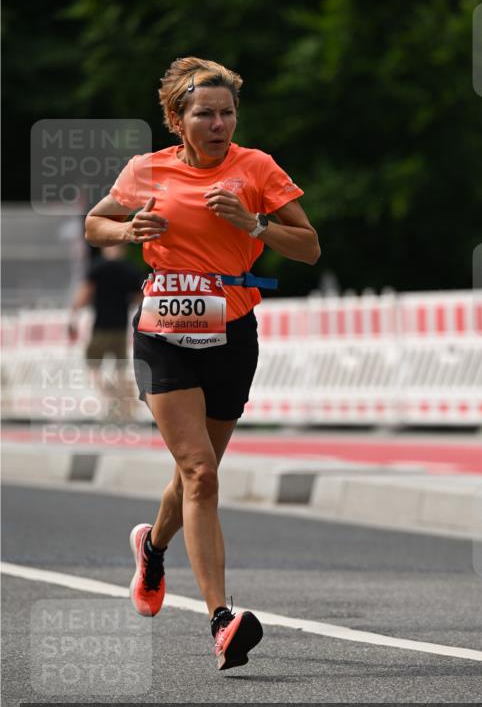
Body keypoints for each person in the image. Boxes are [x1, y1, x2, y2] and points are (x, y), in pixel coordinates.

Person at [84, 57, 320, 670]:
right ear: (177, 119)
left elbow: (310, 246)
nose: (218, 124)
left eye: (227, 113)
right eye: (204, 114)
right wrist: (131, 231)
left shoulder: (257, 168)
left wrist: (255, 223)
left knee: (201, 470)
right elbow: (94, 225)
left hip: (232, 333)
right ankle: (222, 619)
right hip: (163, 332)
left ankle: (152, 546)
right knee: (200, 472)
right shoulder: (147, 170)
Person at [68, 244, 144, 420]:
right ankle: (124, 408)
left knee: (92, 366)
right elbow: (140, 297)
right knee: (120, 369)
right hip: (120, 327)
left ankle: (112, 397)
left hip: (100, 327)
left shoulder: (97, 267)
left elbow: (85, 293)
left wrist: (73, 315)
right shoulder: (130, 268)